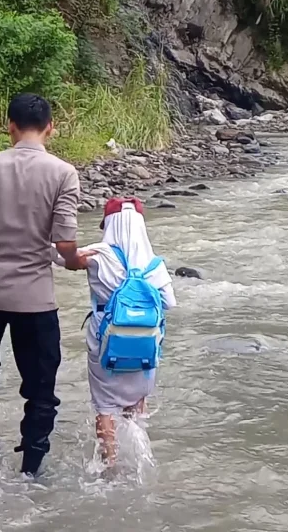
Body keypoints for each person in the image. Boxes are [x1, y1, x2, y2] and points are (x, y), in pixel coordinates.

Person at [0, 93, 94, 476]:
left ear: (10, 126)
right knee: (40, 387)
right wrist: (75, 262)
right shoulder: (63, 173)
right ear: (51, 128)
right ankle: (31, 468)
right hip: (35, 297)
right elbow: (65, 242)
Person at [75, 197, 176, 466]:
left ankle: (110, 466)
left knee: (105, 406)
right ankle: (139, 460)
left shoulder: (99, 255)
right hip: (145, 340)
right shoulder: (153, 263)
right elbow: (169, 303)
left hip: (105, 339)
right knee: (136, 400)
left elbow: (62, 257)